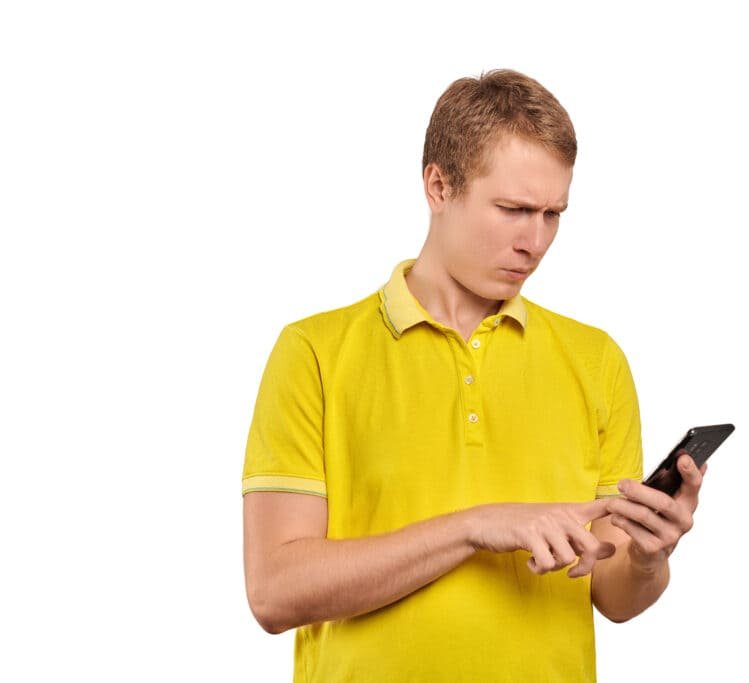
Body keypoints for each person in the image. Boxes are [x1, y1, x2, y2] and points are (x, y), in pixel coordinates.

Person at [242, 68, 707, 682]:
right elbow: (275, 593)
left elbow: (614, 597)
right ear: (438, 186)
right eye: (513, 209)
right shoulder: (314, 352)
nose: (534, 241)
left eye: (552, 214)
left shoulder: (596, 361)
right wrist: (474, 527)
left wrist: (650, 556)